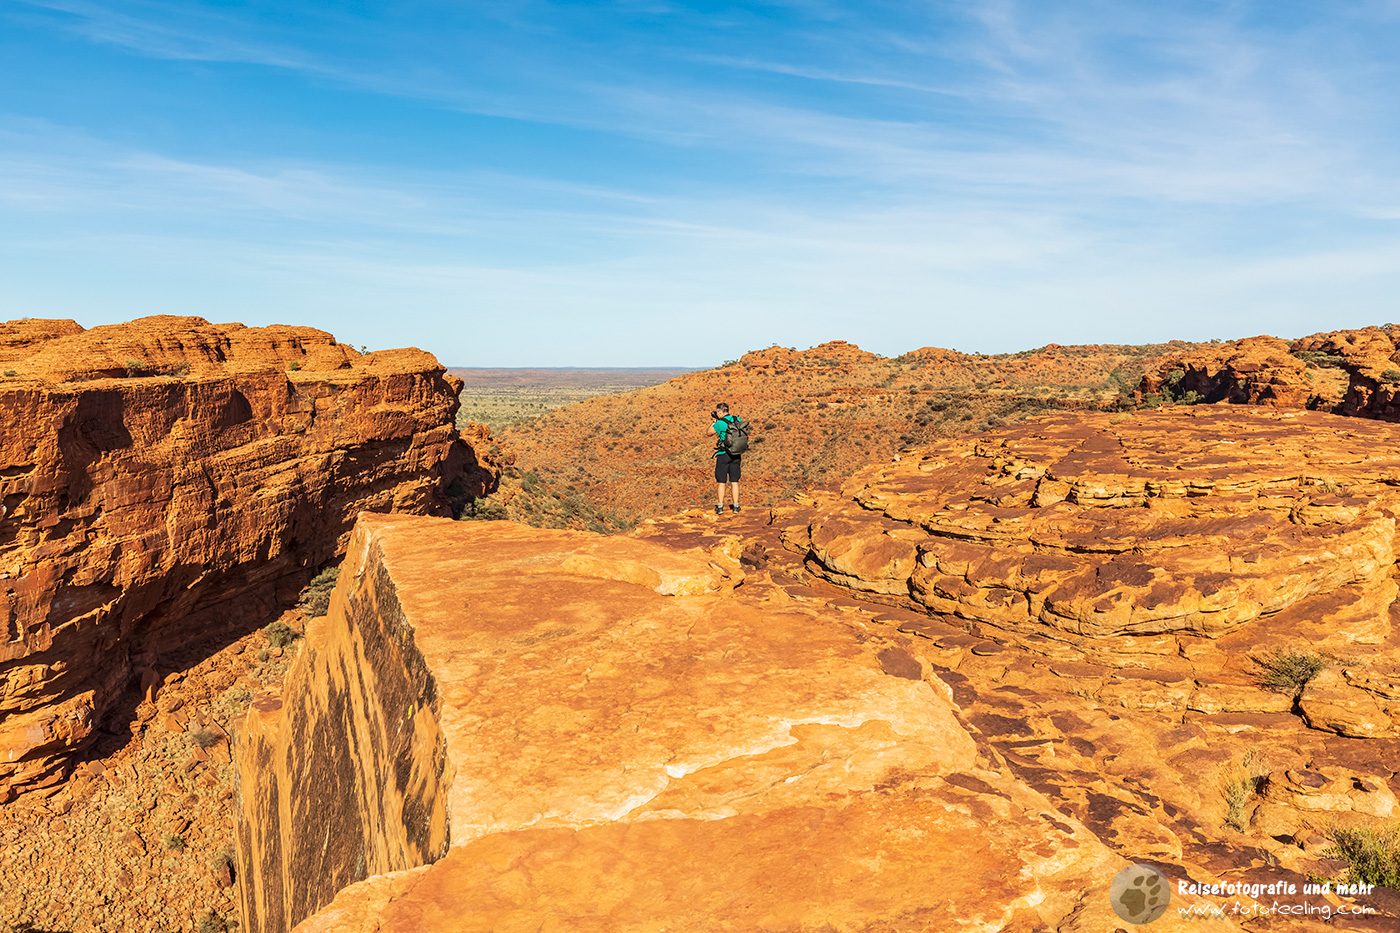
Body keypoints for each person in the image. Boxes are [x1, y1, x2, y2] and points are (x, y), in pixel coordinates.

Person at [708, 402, 741, 515]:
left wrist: (714, 423)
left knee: (721, 481)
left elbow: (709, 433)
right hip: (736, 453)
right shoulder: (738, 419)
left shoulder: (720, 423)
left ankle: (720, 507)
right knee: (734, 481)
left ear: (720, 412)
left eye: (717, 412)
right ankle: (736, 506)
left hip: (723, 454)